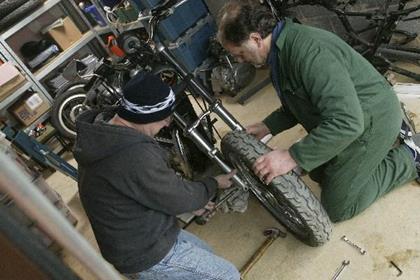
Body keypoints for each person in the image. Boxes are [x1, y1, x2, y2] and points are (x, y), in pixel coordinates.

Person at [217, 0, 420, 222]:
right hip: (352, 114)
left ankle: (410, 155)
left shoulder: (309, 54)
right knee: (320, 173)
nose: (238, 61)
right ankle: (374, 154)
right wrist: (268, 126)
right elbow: (300, 99)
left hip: (371, 119)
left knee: (338, 206)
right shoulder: (281, 48)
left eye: (238, 54)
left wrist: (292, 155)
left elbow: (348, 122)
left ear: (255, 39)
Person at [73, 72, 240, 280]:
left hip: (137, 236)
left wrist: (188, 203)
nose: (168, 124)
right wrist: (212, 184)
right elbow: (176, 197)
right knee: (227, 275)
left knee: (206, 252)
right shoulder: (132, 154)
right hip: (144, 253)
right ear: (145, 117)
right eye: (164, 118)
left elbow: (154, 191)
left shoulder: (105, 132)